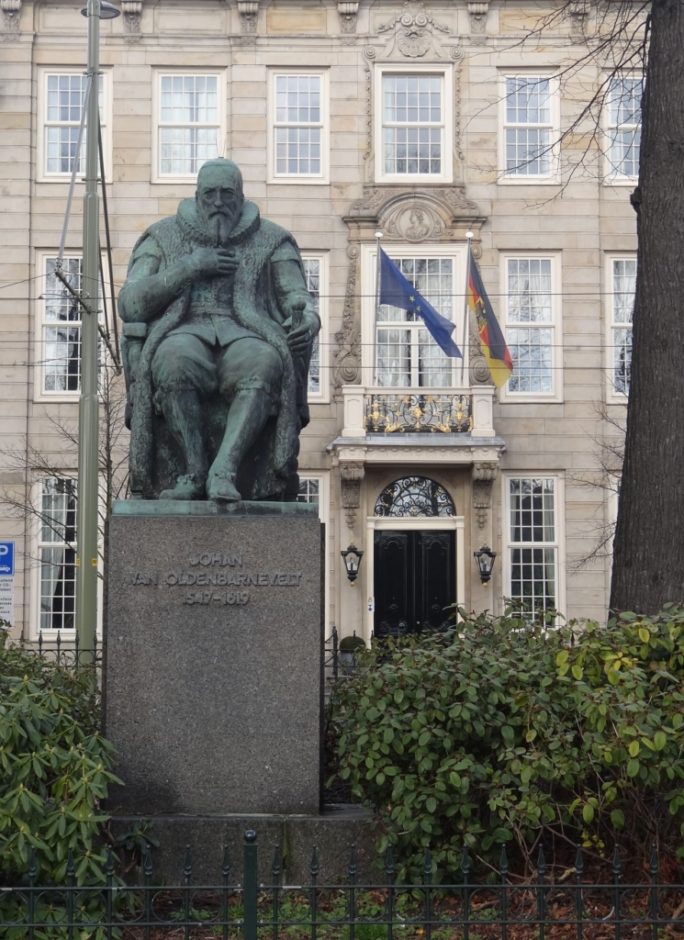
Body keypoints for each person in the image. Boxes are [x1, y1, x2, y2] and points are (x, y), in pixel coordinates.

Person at [119, 158, 320, 502]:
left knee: (265, 362)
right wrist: (189, 267)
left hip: (246, 332)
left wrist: (308, 319)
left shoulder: (272, 239)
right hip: (184, 330)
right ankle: (194, 470)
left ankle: (223, 469)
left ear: (241, 196)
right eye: (209, 194)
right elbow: (131, 303)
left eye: (227, 194)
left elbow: (297, 296)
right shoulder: (162, 236)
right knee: (172, 359)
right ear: (197, 196)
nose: (217, 203)